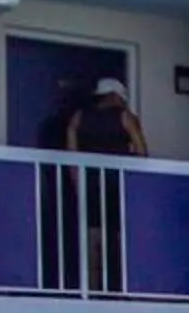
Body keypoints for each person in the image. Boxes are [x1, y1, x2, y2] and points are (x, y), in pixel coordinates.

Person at [63, 77, 148, 293]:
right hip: (118, 185)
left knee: (92, 239)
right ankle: (120, 289)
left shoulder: (78, 118)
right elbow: (142, 153)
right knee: (120, 239)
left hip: (90, 185)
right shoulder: (125, 117)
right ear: (115, 95)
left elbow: (72, 159)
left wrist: (78, 185)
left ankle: (90, 289)